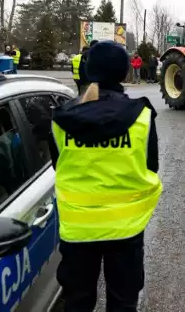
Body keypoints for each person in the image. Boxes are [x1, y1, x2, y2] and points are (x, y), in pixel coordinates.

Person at [50, 40, 161, 312]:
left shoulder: (61, 119)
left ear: (88, 71)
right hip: (126, 228)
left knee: (77, 301)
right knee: (123, 302)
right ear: (124, 73)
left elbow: (58, 164)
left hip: (78, 229)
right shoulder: (142, 116)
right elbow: (152, 166)